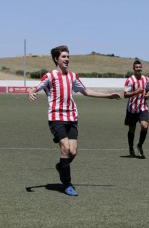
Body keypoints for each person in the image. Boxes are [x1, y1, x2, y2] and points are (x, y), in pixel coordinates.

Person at [28, 45, 120, 196]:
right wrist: (31, 92)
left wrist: (108, 95)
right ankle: (67, 184)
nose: (67, 59)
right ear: (56, 59)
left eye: (68, 56)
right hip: (56, 118)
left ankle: (61, 166)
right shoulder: (49, 76)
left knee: (73, 151)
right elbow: (35, 88)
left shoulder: (73, 76)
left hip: (72, 117)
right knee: (65, 148)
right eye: (64, 57)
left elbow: (86, 91)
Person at [123, 59, 149, 158]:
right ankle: (131, 147)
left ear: (141, 68)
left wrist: (147, 95)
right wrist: (136, 92)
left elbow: (148, 90)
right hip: (132, 109)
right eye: (136, 68)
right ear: (133, 69)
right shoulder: (130, 80)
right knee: (132, 130)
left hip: (143, 107)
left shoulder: (146, 79)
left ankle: (139, 145)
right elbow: (125, 95)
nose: (138, 69)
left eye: (140, 67)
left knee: (145, 126)